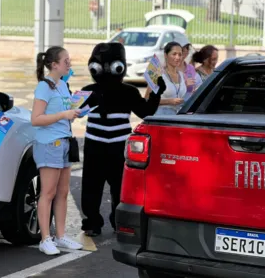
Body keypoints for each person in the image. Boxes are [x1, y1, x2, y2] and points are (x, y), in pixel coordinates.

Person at [80, 42, 165, 236]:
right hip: (96, 145)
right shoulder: (89, 91)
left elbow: (145, 111)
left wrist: (156, 93)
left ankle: (115, 221)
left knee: (118, 186)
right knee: (94, 186)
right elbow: (73, 111)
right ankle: (94, 222)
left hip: (117, 145)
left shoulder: (128, 92)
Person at [31, 46, 83, 255]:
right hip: (49, 143)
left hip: (64, 142)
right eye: (66, 61)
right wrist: (63, 115)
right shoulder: (44, 87)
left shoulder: (63, 85)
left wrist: (74, 111)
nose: (69, 64)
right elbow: (36, 119)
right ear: (54, 65)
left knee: (62, 192)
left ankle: (61, 236)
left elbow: (64, 111)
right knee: (48, 192)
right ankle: (45, 238)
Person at [145, 42, 186, 115]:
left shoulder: (182, 75)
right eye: (174, 54)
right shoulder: (157, 74)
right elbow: (147, 99)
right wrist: (169, 101)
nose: (177, 57)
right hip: (160, 118)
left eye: (180, 54)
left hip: (177, 118)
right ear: (166, 55)